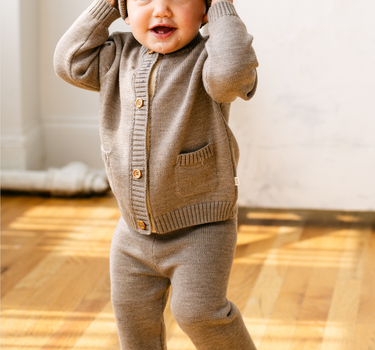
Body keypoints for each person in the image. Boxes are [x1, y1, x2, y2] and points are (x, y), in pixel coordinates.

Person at [54, 0, 259, 348]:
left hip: (201, 229)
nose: (162, 9)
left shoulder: (209, 60)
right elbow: (68, 61)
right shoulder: (115, 55)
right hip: (132, 232)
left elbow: (232, 76)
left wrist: (222, 6)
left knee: (198, 313)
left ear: (205, 9)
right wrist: (107, 6)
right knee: (134, 325)